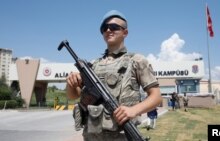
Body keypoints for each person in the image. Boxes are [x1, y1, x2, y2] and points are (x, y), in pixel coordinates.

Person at [66, 10, 162, 141]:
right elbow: (73, 96)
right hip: (91, 137)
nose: (108, 30)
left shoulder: (137, 61)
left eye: (114, 27)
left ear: (125, 32)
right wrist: (71, 83)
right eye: (104, 28)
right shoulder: (93, 65)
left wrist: (133, 110)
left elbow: (156, 97)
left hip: (122, 136)